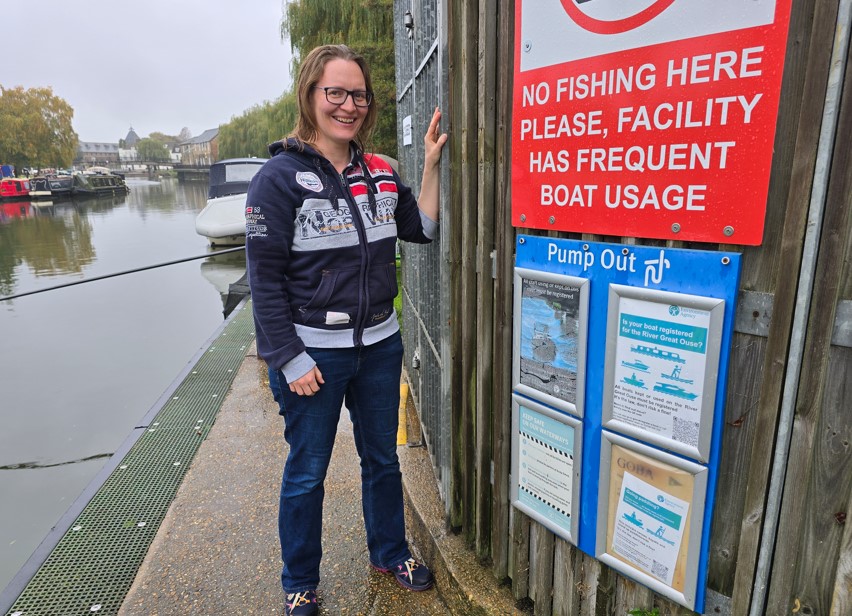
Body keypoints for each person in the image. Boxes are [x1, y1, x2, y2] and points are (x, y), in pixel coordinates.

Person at [244, 44, 447, 616]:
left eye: (358, 94)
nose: (348, 105)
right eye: (335, 92)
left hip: (380, 348)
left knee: (383, 460)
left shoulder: (381, 171)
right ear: (310, 96)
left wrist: (429, 166)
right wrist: (288, 357)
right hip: (313, 357)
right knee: (307, 473)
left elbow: (421, 229)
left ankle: (390, 552)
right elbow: (263, 279)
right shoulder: (277, 180)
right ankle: (299, 582)